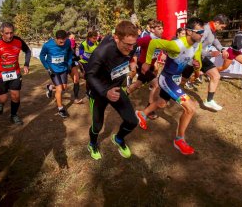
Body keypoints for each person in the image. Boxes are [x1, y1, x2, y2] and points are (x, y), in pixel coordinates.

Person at [136, 17, 204, 155]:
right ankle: (179, 140)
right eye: (199, 31)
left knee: (161, 103)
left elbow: (198, 62)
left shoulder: (198, 44)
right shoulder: (176, 45)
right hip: (166, 79)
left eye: (203, 31)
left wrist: (197, 66)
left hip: (176, 80)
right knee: (191, 108)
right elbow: (154, 42)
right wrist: (148, 62)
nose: (202, 34)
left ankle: (142, 114)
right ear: (189, 32)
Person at [86, 20, 139, 160]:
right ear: (116, 38)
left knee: (132, 121)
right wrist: (105, 92)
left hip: (115, 87)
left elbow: (132, 54)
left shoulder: (131, 44)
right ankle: (92, 143)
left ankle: (119, 138)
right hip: (98, 92)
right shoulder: (101, 52)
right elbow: (89, 75)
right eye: (127, 45)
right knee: (97, 126)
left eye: (133, 44)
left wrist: (133, 61)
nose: (131, 48)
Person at [183, 14, 230, 111]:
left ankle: (209, 101)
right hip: (193, 57)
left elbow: (215, 40)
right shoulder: (205, 29)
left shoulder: (213, 30)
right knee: (182, 81)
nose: (222, 29)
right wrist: (210, 54)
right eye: (222, 27)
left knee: (216, 76)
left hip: (202, 57)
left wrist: (222, 50)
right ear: (217, 23)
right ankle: (168, 93)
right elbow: (196, 47)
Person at [126, 19, 164, 119]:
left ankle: (124, 94)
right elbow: (131, 46)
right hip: (142, 65)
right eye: (159, 28)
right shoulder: (146, 39)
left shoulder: (160, 39)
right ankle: (149, 109)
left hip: (150, 66)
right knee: (157, 84)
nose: (162, 30)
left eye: (162, 28)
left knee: (138, 84)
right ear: (152, 29)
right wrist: (132, 61)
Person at [40, 30, 74, 118]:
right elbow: (42, 56)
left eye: (64, 41)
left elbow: (70, 52)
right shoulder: (48, 45)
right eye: (60, 42)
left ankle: (50, 87)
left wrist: (69, 62)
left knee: (64, 88)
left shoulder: (68, 42)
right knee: (59, 89)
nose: (62, 44)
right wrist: (47, 67)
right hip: (53, 69)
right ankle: (61, 109)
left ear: (66, 38)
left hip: (63, 68)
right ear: (56, 38)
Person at [218, 19, 242, 89]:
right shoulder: (240, 34)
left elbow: (240, 45)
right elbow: (239, 45)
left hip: (237, 52)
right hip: (231, 52)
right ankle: (210, 72)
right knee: (223, 68)